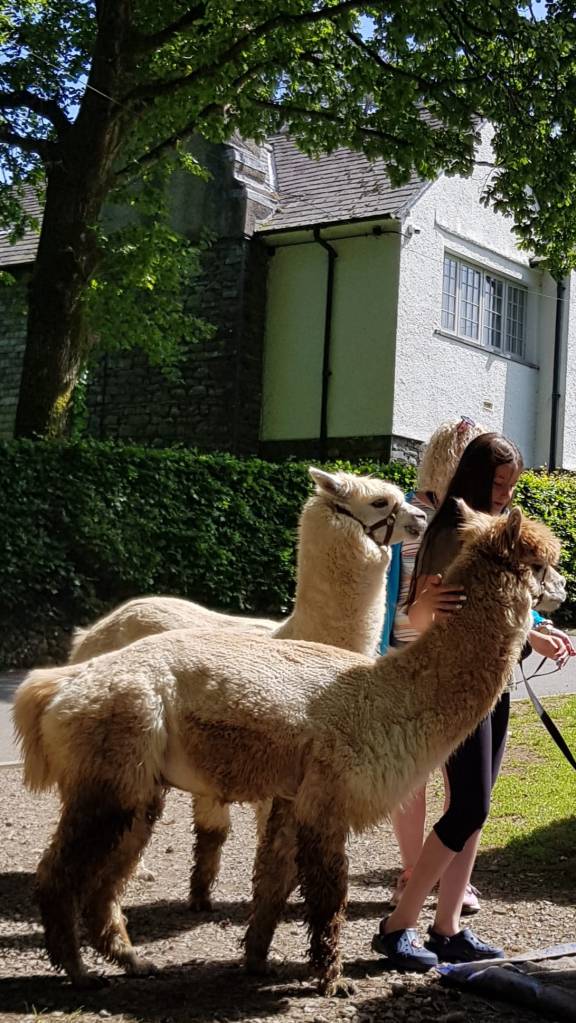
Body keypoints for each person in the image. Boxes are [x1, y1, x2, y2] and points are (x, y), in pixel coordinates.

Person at [373, 432, 575, 971]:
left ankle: (447, 928)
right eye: (498, 482)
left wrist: (534, 633)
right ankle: (398, 926)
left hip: (493, 683)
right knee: (469, 806)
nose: (505, 492)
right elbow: (417, 615)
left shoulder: (500, 531)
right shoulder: (452, 530)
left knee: (473, 812)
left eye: (512, 484)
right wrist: (428, 606)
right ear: (476, 476)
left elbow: (507, 607)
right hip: (456, 687)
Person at [381, 416, 488, 915]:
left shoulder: (471, 518)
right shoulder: (410, 517)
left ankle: (437, 877)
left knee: (453, 781)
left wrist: (533, 623)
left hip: (448, 663)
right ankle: (414, 874)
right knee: (418, 778)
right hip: (408, 662)